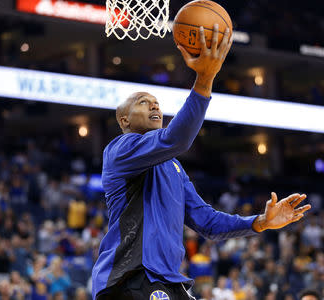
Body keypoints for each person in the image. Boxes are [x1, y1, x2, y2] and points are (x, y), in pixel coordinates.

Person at [91, 24, 311, 300]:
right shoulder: (120, 150)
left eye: (157, 102)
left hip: (166, 280)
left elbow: (207, 222)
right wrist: (204, 79)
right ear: (124, 120)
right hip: (131, 276)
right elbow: (177, 139)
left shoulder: (173, 167)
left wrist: (260, 222)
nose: (155, 106)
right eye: (144, 102)